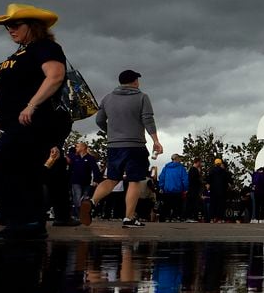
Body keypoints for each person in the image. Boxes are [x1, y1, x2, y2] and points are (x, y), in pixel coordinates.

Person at [0, 4, 72, 239]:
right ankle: (28, 220)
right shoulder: (18, 54)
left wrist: (32, 104)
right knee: (22, 171)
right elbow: (5, 94)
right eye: (7, 26)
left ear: (33, 26)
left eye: (15, 24)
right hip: (13, 121)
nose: (10, 29)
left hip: (36, 120)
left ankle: (25, 217)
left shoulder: (45, 47)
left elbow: (55, 75)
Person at [79, 70, 162, 229]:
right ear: (135, 81)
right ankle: (129, 218)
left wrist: (110, 132)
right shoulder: (142, 97)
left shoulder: (107, 98)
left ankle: (91, 201)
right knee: (135, 180)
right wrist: (156, 141)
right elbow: (147, 119)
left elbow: (99, 119)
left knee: (111, 179)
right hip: (135, 145)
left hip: (114, 146)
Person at [66, 142, 100, 220]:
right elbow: (69, 165)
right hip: (75, 182)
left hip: (86, 182)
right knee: (77, 199)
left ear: (83, 147)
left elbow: (95, 170)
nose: (76, 148)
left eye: (77, 146)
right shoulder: (74, 157)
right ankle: (79, 216)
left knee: (85, 200)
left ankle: (85, 214)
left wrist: (96, 180)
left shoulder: (90, 158)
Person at [156, 154, 189, 221]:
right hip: (177, 190)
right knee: (177, 206)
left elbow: (161, 178)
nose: (180, 160)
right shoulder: (181, 168)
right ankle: (175, 217)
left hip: (167, 190)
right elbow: (185, 179)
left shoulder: (166, 168)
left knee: (166, 205)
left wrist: (161, 187)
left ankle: (166, 218)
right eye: (179, 158)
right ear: (177, 159)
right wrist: (186, 189)